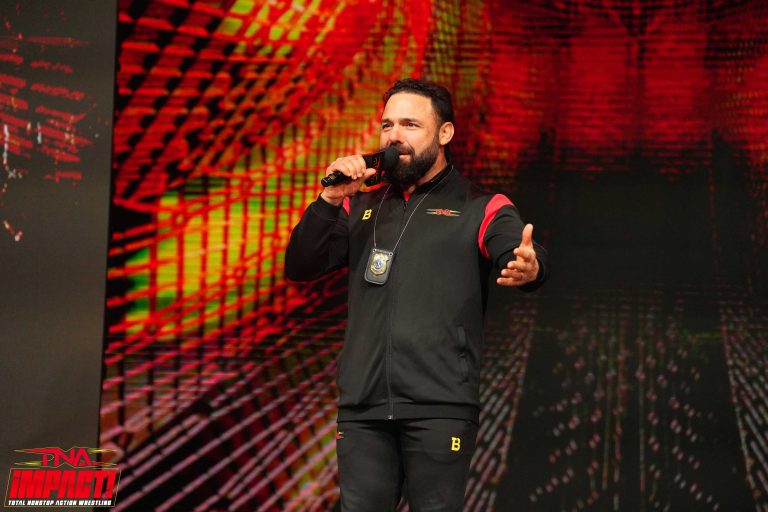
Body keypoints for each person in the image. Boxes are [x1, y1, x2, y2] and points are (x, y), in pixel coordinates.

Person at [285, 78, 548, 511]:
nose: (394, 136)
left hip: (439, 407)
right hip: (364, 408)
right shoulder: (358, 204)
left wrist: (529, 265)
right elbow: (300, 266)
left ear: (445, 134)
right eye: (387, 125)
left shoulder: (480, 206)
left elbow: (516, 248)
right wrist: (329, 199)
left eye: (410, 124)